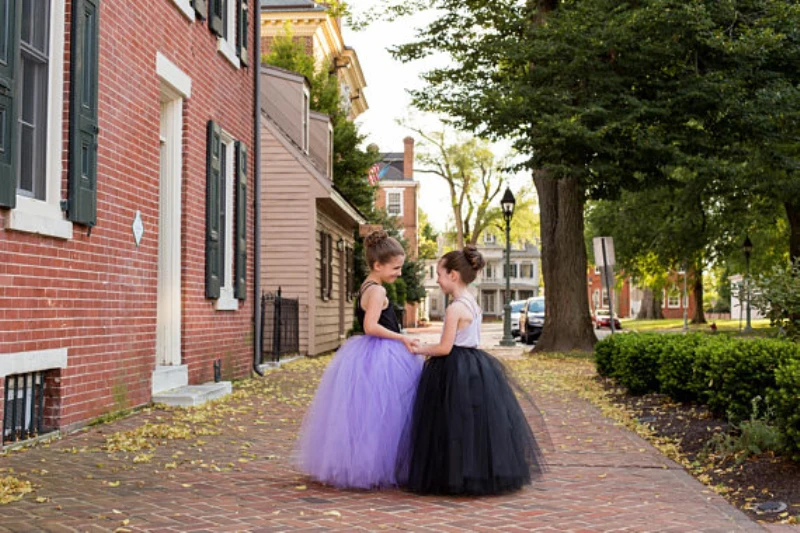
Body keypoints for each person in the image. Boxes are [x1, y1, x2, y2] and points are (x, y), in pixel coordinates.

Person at [406, 245, 547, 495]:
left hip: (453, 367)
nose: (437, 279)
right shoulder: (473, 303)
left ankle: (452, 474)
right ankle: (474, 471)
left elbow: (444, 347)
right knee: (472, 423)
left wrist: (418, 348)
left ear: (453, 275)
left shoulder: (454, 308)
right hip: (474, 365)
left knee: (451, 423)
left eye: (439, 274)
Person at [295, 230, 423, 489]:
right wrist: (402, 339)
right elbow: (371, 326)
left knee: (368, 414)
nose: (399, 272)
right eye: (395, 267)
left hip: (371, 354)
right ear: (378, 265)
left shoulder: (368, 285)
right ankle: (377, 467)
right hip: (382, 354)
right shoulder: (375, 291)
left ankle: (365, 464)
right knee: (384, 413)